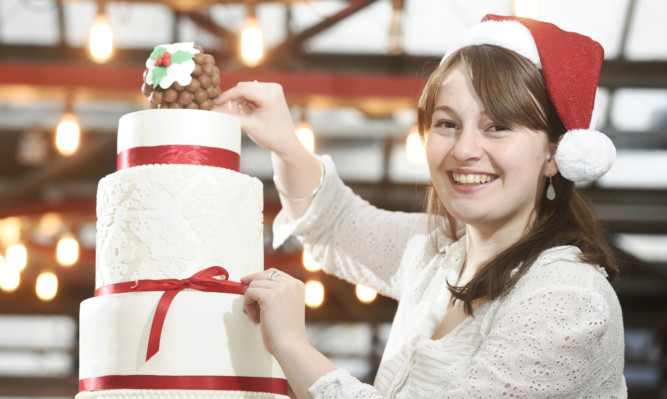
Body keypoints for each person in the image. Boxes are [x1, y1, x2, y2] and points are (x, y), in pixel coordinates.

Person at [215, 14, 626, 399]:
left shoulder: (569, 299)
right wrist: (286, 145)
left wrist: (291, 346)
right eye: (447, 124)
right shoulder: (439, 251)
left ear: (556, 154)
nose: (464, 149)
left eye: (497, 126)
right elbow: (334, 224)